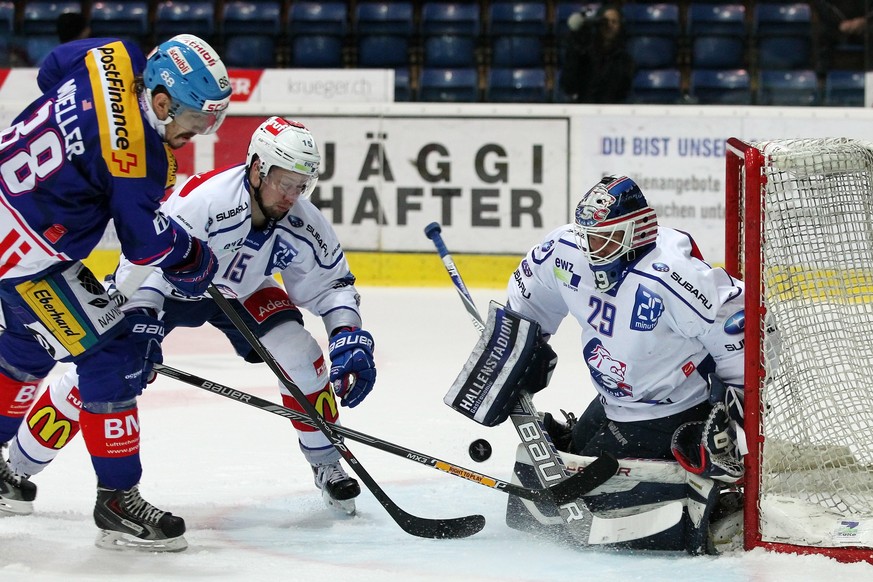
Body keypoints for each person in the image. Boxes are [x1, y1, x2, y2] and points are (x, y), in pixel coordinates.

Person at [5, 117, 378, 552]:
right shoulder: (206, 202)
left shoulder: (302, 219)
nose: (292, 195)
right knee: (95, 373)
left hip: (242, 289)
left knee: (302, 354)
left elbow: (331, 285)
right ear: (257, 168)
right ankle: (17, 468)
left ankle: (327, 462)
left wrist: (347, 333)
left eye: (302, 185)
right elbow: (143, 260)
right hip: (168, 284)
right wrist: (140, 319)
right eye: (284, 182)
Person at [0, 35, 231, 548]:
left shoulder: (115, 54)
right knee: (113, 354)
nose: (195, 135)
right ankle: (117, 501)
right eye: (194, 122)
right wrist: (192, 256)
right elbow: (144, 243)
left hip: (7, 206)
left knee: (23, 349)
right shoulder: (139, 158)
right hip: (27, 258)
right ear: (163, 102)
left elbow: (49, 69)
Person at [447, 175, 747, 553]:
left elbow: (739, 328)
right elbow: (529, 306)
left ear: (635, 233)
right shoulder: (565, 250)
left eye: (603, 238)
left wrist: (736, 414)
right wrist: (514, 350)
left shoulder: (674, 277)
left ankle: (709, 485)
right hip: (610, 402)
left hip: (671, 409)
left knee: (587, 490)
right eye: (586, 236)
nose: (590, 250)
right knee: (565, 457)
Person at [559, 5, 635, 103]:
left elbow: (621, 92)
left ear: (621, 26)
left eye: (614, 22)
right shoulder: (585, 55)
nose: (609, 26)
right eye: (605, 22)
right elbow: (568, 86)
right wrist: (575, 48)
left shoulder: (624, 60)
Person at [813, 0, 873, 71]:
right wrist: (839, 24)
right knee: (822, 33)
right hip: (835, 26)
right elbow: (822, 5)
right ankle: (822, 76)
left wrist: (864, 21)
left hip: (865, 26)